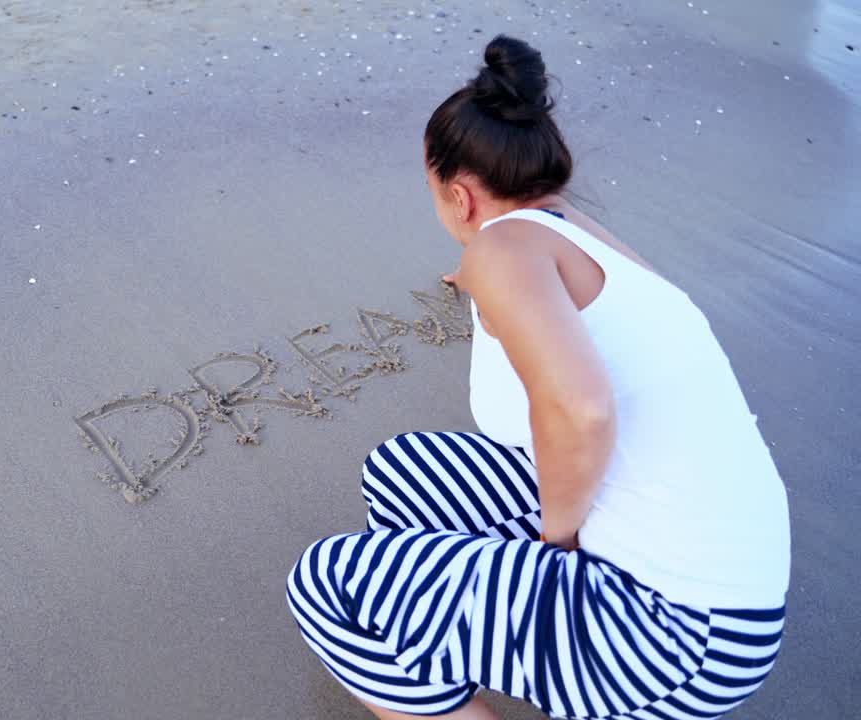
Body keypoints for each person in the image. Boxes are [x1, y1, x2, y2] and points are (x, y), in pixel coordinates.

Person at [286, 34, 790, 720]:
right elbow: (570, 294)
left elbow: (582, 411)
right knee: (400, 472)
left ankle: (505, 642)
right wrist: (485, 276)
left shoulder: (503, 251)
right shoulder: (560, 232)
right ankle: (480, 637)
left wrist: (560, 542)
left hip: (682, 633)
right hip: (727, 589)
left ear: (460, 198)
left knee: (326, 586)